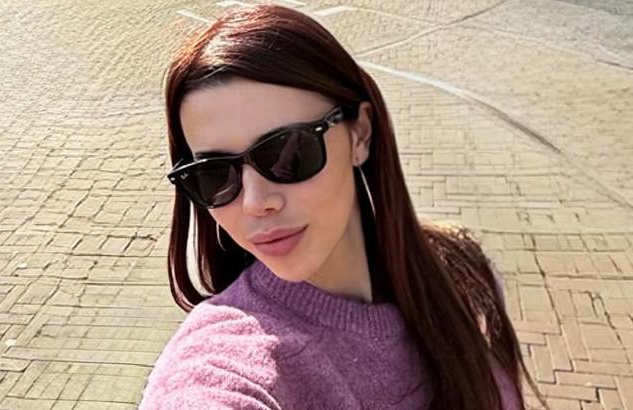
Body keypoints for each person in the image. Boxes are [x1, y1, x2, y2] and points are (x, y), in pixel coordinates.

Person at [140, 4, 543, 409]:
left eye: (289, 153)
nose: (256, 202)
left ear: (360, 134)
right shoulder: (223, 362)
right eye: (215, 175)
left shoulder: (463, 274)